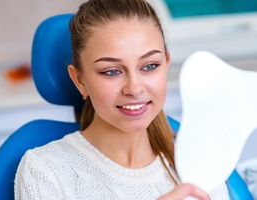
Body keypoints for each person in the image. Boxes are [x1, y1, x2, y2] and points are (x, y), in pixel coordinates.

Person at [14, 0, 230, 199]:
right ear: (79, 80)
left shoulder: (201, 162)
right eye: (111, 71)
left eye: (150, 66)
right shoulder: (46, 171)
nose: (134, 88)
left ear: (166, 64)